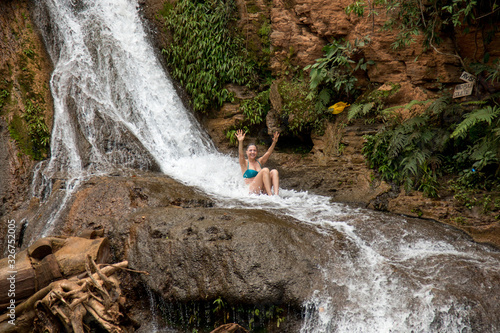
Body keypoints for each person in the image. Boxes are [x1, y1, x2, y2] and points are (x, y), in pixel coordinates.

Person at [235, 129, 280, 195]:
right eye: (250, 150)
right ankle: (270, 196)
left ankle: (276, 196)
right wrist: (241, 141)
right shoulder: (244, 163)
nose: (252, 152)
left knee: (274, 171)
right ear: (246, 152)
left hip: (262, 189)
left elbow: (268, 153)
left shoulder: (260, 161)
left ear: (257, 152)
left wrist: (274, 142)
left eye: (254, 150)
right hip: (252, 190)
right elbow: (240, 154)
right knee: (265, 170)